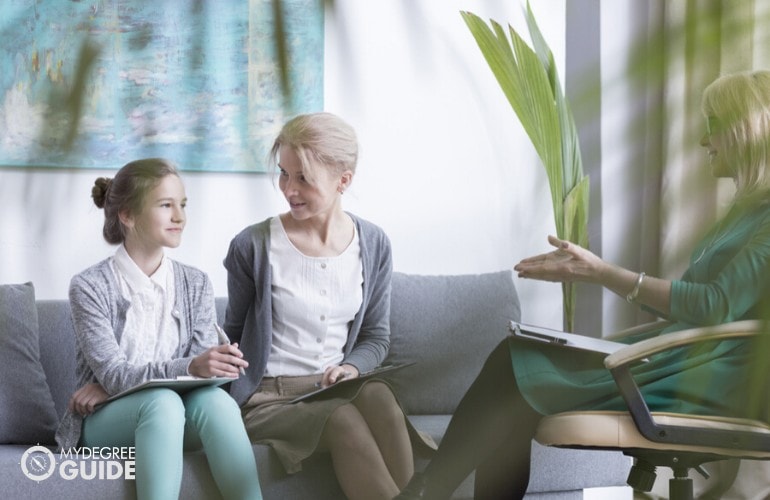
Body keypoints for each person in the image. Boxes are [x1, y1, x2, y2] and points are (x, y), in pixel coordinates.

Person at [395, 70, 770, 499]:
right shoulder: (742, 213)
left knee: (513, 369)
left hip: (709, 375)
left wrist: (600, 272)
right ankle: (427, 491)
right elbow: (694, 306)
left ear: (745, 130)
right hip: (683, 356)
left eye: (712, 127)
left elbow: (714, 306)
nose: (704, 141)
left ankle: (425, 491)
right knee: (517, 372)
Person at [223, 112, 434, 500]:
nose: (289, 189)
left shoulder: (373, 243)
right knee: (343, 420)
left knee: (380, 398)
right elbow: (231, 336)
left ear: (343, 180)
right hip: (269, 397)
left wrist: (352, 367)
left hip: (332, 389)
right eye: (284, 174)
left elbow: (375, 336)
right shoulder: (251, 246)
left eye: (303, 177)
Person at [55, 158, 263, 500]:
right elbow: (115, 373)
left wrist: (123, 383)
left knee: (218, 403)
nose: (180, 216)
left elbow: (194, 380)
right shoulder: (89, 286)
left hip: (178, 413)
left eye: (182, 205)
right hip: (104, 421)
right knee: (162, 402)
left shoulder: (196, 283)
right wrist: (185, 368)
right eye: (166, 205)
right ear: (127, 214)